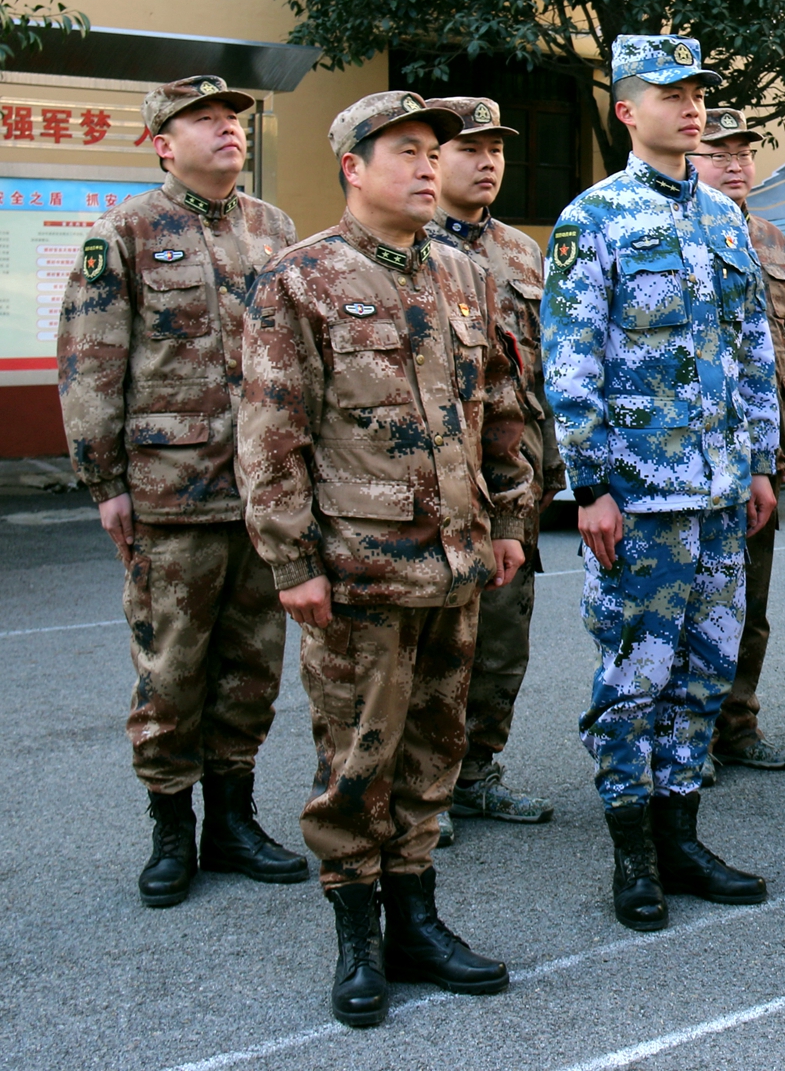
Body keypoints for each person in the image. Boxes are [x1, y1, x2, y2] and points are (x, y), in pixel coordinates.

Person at [240, 90, 529, 1027]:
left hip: (457, 562)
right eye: (404, 149)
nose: (426, 164)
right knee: (357, 759)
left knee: (435, 751)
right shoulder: (301, 278)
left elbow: (501, 405)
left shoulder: (463, 273)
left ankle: (417, 921)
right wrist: (292, 563)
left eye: (432, 150)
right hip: (359, 568)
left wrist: (511, 515)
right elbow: (271, 434)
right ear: (352, 168)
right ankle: (358, 939)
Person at [541, 36, 779, 934]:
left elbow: (752, 347)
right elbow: (570, 361)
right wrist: (590, 487)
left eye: (697, 93)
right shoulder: (592, 219)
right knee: (634, 675)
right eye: (670, 93)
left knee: (706, 672)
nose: (691, 107)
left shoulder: (724, 218)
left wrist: (761, 461)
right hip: (640, 498)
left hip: (721, 493)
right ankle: (633, 855)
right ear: (626, 110)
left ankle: (682, 838)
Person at [57, 75, 305, 910]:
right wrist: (104, 481)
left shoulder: (274, 228)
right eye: (204, 119)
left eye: (232, 117)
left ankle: (232, 821)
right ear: (163, 144)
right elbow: (91, 359)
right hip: (169, 490)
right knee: (171, 667)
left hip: (262, 490)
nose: (227, 128)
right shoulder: (124, 232)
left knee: (252, 666)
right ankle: (171, 830)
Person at [423, 96, 565, 841]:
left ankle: (477, 771)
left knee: (503, 636)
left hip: (514, 476)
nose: (487, 163)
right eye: (470, 149)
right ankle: (425, 784)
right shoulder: (404, 244)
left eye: (497, 150)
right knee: (433, 643)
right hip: (435, 481)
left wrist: (551, 469)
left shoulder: (520, 252)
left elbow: (542, 371)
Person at [687, 107, 785, 772]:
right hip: (693, 458)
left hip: (761, 455)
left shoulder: (769, 239)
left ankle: (737, 721)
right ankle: (688, 736)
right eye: (719, 153)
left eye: (744, 153)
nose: (736, 165)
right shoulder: (678, 230)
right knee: (690, 604)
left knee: (749, 603)